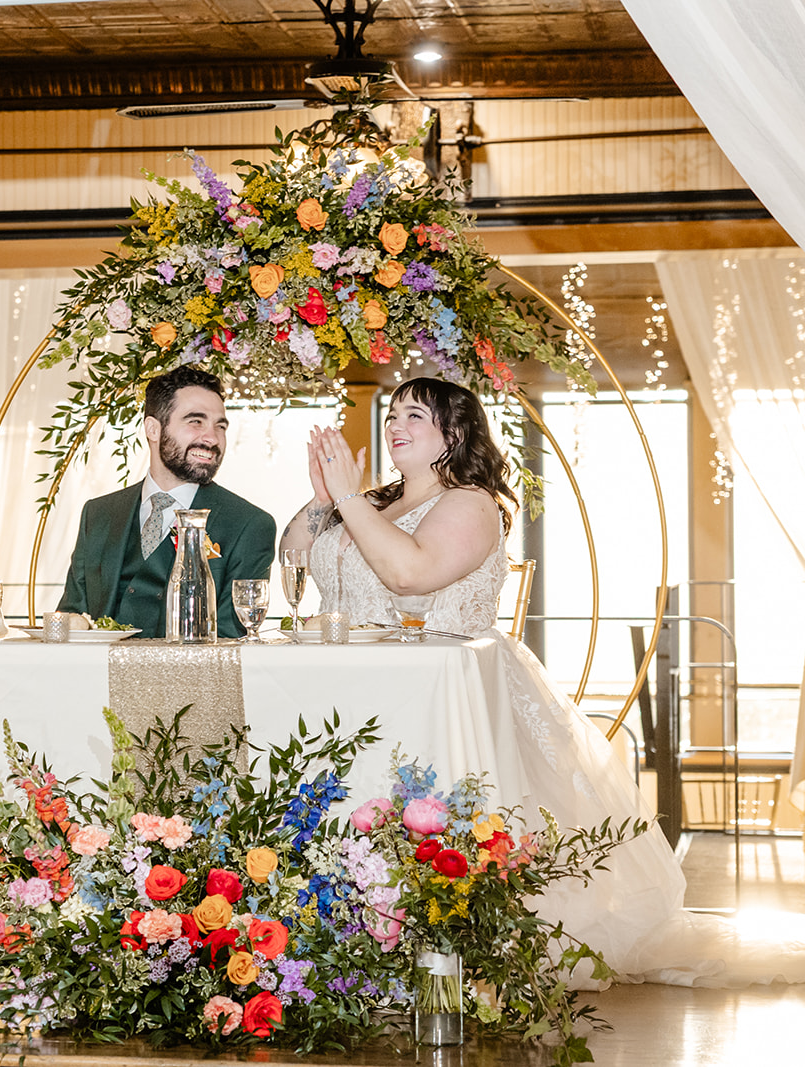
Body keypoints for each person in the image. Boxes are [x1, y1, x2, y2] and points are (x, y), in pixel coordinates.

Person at [280, 376, 805, 987]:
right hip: (349, 687)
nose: (396, 423)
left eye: (415, 414)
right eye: (393, 412)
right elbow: (295, 556)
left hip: (442, 690)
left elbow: (410, 574)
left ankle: (438, 952)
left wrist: (347, 499)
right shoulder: (369, 500)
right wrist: (325, 497)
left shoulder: (470, 503)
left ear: (453, 434)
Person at [57, 364, 276, 638]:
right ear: (153, 429)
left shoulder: (250, 524)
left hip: (192, 679)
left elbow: (234, 637)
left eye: (220, 426)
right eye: (196, 421)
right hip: (99, 676)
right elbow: (72, 619)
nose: (212, 438)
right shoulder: (98, 513)